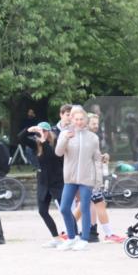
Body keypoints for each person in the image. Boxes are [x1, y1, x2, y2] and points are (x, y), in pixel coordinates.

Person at [54, 105, 103, 251]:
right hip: (70, 178)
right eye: (76, 119)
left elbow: (96, 159)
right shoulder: (65, 134)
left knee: (85, 208)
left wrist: (98, 180)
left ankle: (84, 239)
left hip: (87, 178)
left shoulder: (93, 138)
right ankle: (71, 237)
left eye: (82, 119)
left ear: (85, 120)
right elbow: (58, 153)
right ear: (72, 119)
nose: (79, 122)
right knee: (64, 208)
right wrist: (65, 139)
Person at [72, 112, 124, 244]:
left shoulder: (91, 137)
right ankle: (109, 234)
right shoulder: (85, 137)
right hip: (89, 177)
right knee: (99, 204)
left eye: (97, 123)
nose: (96, 126)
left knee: (84, 205)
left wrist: (102, 157)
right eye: (94, 123)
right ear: (86, 123)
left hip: (89, 176)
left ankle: (68, 232)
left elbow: (92, 156)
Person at [20, 122, 64, 246]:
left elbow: (51, 156)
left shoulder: (56, 143)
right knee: (42, 211)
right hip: (43, 182)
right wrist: (28, 129)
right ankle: (56, 238)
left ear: (49, 132)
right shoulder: (36, 144)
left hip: (57, 182)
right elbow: (20, 138)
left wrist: (44, 141)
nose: (42, 133)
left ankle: (74, 236)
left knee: (64, 209)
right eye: (40, 131)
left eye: (44, 131)